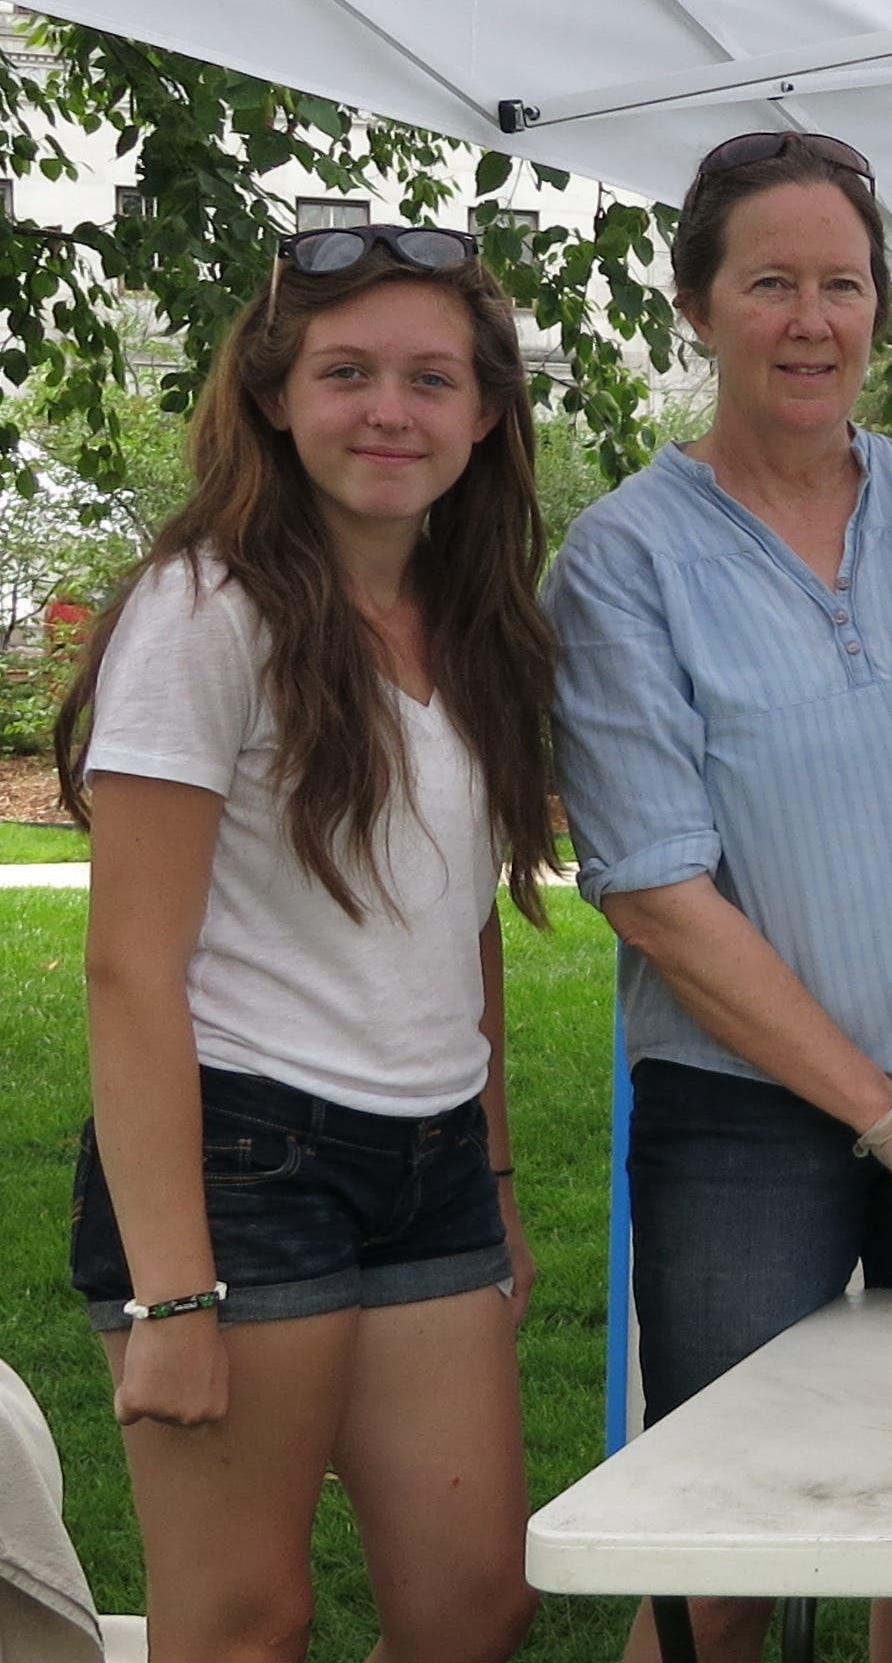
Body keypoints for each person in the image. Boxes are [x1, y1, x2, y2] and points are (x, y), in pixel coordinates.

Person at [54, 223, 559, 1662]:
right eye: (347, 374)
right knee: (244, 1623)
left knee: (473, 1607)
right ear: (276, 395)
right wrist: (174, 1294)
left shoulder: (473, 624)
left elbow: (463, 926)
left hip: (431, 1166)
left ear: (485, 413)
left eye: (431, 379)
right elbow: (128, 966)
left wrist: (494, 1174)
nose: (390, 412)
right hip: (241, 1159)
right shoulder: (205, 611)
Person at [543, 130, 892, 1663]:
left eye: (844, 284)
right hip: (746, 1117)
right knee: (725, 1542)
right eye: (770, 285)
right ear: (695, 306)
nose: (812, 321)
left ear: (883, 307)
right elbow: (655, 892)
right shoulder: (624, 562)